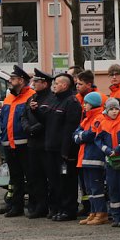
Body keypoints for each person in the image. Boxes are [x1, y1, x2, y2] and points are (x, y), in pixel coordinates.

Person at [41, 73, 83, 221]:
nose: (54, 85)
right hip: (51, 148)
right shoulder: (54, 100)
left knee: (66, 180)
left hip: (64, 151)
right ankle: (58, 208)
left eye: (57, 83)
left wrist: (66, 151)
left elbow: (70, 129)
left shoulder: (71, 102)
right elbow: (46, 121)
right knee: (54, 181)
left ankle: (69, 209)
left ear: (65, 85)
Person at [0, 65, 35, 217]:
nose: (9, 81)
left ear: (21, 80)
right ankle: (15, 205)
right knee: (15, 177)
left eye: (13, 79)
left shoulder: (31, 96)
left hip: (24, 143)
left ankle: (33, 205)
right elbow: (6, 120)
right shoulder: (9, 97)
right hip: (9, 143)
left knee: (30, 176)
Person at [96, 97, 120, 228]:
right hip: (110, 160)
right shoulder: (103, 123)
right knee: (112, 187)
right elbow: (98, 140)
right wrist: (107, 150)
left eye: (116, 109)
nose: (114, 111)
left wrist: (119, 148)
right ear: (106, 110)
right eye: (111, 109)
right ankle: (116, 216)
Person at [73, 91, 109, 226]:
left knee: (96, 187)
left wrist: (80, 136)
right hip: (85, 157)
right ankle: (93, 212)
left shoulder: (99, 117)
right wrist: (80, 136)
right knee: (89, 188)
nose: (84, 105)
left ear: (92, 104)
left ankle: (101, 213)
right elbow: (76, 132)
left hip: (94, 157)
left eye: (86, 103)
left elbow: (90, 134)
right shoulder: (87, 117)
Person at [23, 68, 53, 218]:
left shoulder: (51, 99)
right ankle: (40, 206)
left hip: (45, 143)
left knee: (50, 176)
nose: (33, 83)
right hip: (32, 144)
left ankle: (51, 206)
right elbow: (24, 116)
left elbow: (48, 120)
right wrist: (27, 128)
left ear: (45, 83)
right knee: (36, 177)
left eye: (36, 81)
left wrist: (34, 129)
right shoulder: (32, 98)